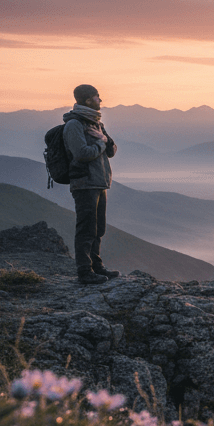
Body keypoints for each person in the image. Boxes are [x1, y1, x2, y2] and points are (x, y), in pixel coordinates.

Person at [62, 83, 119, 285]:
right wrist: (100, 143)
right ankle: (84, 272)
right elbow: (82, 154)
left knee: (98, 228)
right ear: (87, 100)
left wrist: (104, 140)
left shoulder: (96, 123)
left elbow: (111, 151)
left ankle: (97, 266)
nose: (100, 100)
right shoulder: (75, 125)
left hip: (99, 182)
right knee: (86, 228)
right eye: (97, 97)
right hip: (84, 182)